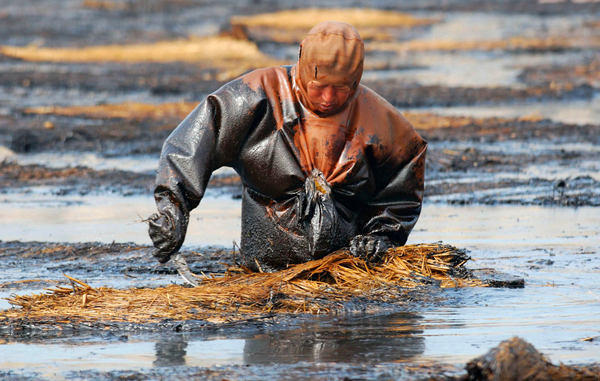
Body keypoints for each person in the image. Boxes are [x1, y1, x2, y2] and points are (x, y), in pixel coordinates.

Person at [148, 21, 427, 272]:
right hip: (262, 272)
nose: (329, 98)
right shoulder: (257, 96)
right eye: (319, 85)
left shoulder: (382, 124)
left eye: (342, 87)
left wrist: (383, 237)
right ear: (303, 65)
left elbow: (402, 188)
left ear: (358, 78)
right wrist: (173, 208)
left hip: (347, 272)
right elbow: (192, 143)